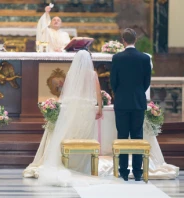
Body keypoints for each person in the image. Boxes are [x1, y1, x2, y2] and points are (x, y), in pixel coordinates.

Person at [23, 50, 104, 186]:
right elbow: (98, 94)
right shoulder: (92, 74)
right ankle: (82, 167)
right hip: (86, 109)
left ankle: (67, 163)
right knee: (84, 136)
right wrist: (100, 109)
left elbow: (66, 93)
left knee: (70, 134)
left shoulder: (72, 73)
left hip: (72, 108)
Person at [110, 28, 152, 181]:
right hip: (138, 101)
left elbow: (113, 81)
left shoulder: (117, 58)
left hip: (121, 101)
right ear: (136, 40)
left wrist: (119, 92)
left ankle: (123, 171)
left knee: (122, 136)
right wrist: (138, 92)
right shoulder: (144, 58)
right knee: (137, 136)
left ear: (123, 40)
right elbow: (147, 82)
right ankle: (138, 171)